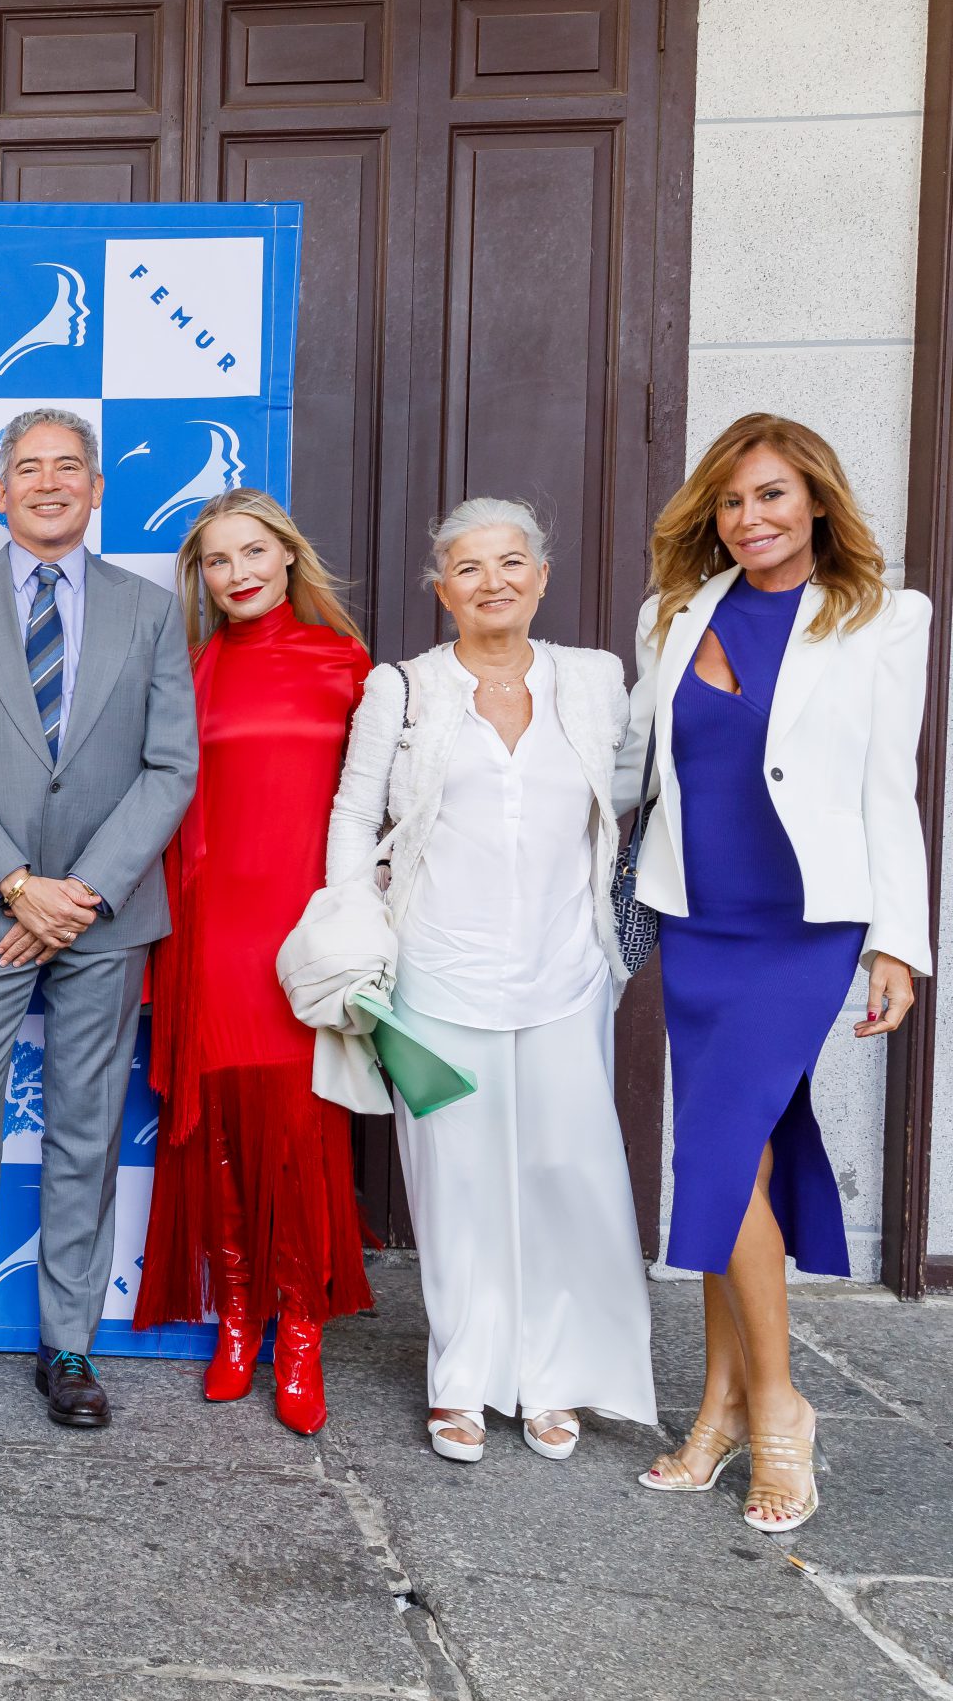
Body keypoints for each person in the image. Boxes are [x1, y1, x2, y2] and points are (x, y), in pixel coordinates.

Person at [630, 414, 931, 1534]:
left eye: (770, 497)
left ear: (814, 502)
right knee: (730, 1164)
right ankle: (716, 1411)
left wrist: (898, 941)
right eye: (730, 501)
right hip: (698, 920)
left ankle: (779, 1407)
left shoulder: (882, 618)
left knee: (717, 1155)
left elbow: (887, 789)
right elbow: (641, 764)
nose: (749, 519)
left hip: (800, 927)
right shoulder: (675, 612)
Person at [0, 408, 198, 1452]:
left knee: (84, 1130)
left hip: (105, 919)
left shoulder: (150, 614)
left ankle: (69, 1347)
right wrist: (18, 885)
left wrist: (81, 893)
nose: (50, 482)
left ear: (96, 488)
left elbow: (170, 769)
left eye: (69, 467)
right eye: (29, 468)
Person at [324, 497, 655, 1464]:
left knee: (563, 1170)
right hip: (438, 971)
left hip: (564, 968)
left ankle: (550, 1377)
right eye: (469, 568)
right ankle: (463, 1378)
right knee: (457, 1180)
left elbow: (628, 790)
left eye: (512, 562)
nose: (493, 581)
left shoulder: (595, 682)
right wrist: (357, 935)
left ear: (542, 578)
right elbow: (353, 815)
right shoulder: (405, 689)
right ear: (442, 590)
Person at [134, 489, 372, 1435]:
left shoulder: (349, 665)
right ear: (201, 578)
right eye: (217, 561)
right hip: (213, 923)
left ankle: (301, 1331)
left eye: (252, 553)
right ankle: (238, 1319)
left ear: (287, 557)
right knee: (226, 1125)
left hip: (306, 926)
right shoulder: (186, 672)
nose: (237, 573)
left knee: (302, 1128)